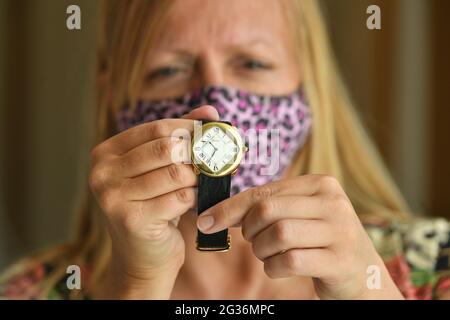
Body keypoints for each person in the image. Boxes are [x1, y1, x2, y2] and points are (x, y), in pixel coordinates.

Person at [1, 0, 449, 300]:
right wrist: (137, 286)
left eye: (252, 63)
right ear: (114, 98)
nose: (216, 106)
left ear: (310, 85)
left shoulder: (435, 263)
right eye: (169, 70)